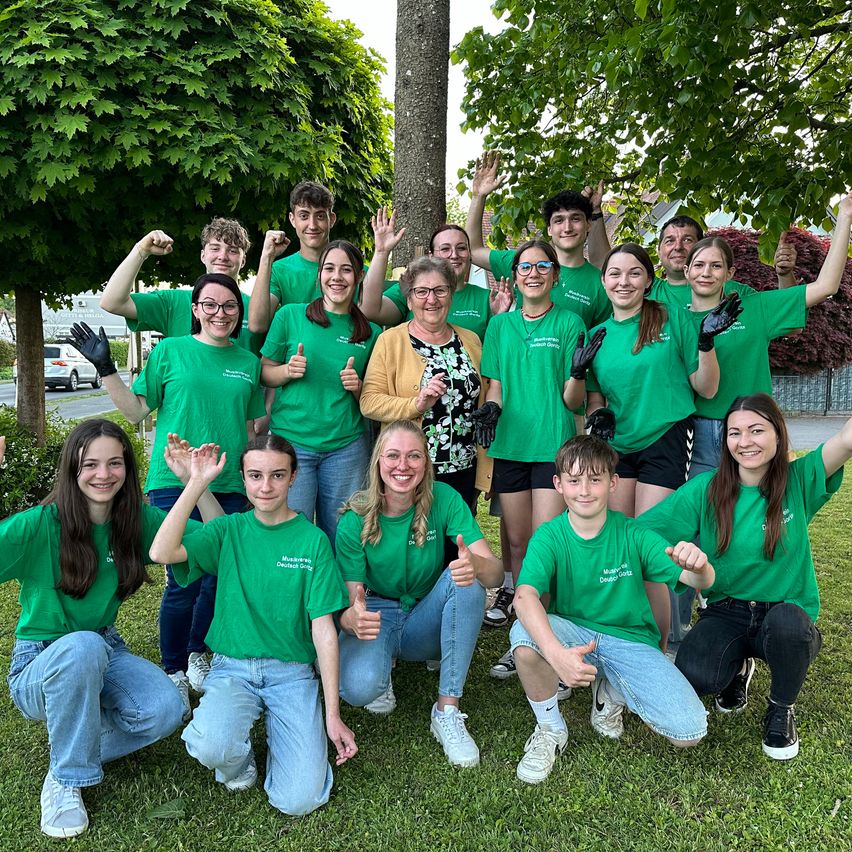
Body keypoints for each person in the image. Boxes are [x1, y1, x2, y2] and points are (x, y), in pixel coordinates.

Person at [70, 272, 266, 698]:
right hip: (174, 480)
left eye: (230, 306)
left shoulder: (248, 363)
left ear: (240, 313)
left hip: (227, 481)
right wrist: (105, 368)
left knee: (218, 574)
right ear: (195, 310)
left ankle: (199, 652)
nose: (220, 313)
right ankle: (174, 666)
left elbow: (250, 428)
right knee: (183, 577)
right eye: (210, 305)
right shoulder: (172, 351)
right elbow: (137, 412)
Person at [149, 436, 357, 814]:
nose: (266, 486)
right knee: (212, 744)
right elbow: (161, 551)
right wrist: (195, 484)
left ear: (294, 477)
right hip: (233, 668)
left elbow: (323, 629)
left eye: (277, 475)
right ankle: (240, 761)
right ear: (243, 479)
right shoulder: (228, 531)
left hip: (292, 673)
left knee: (299, 800)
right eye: (255, 475)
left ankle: (285, 736)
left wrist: (332, 715)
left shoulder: (313, 541)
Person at [637, 394, 850, 760]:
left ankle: (781, 708)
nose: (745, 441)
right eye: (734, 433)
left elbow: (846, 440)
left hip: (785, 612)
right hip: (727, 610)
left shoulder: (800, 479)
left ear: (778, 436)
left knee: (788, 627)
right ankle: (737, 668)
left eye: (756, 430)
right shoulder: (707, 488)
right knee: (695, 674)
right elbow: (642, 534)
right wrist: (679, 565)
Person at [1, 420, 186, 838]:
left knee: (166, 709)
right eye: (90, 464)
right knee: (81, 646)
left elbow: (215, 541)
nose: (103, 474)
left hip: (106, 647)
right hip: (40, 662)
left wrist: (197, 485)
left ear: (127, 469)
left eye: (114, 463)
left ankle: (71, 739)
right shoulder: (39, 525)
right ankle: (65, 779)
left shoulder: (134, 520)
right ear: (72, 468)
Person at [509, 435, 713, 783]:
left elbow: (699, 581)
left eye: (595, 479)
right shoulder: (549, 536)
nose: (584, 490)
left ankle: (611, 691)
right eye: (574, 480)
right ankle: (550, 729)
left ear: (612, 482)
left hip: (630, 641)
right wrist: (557, 655)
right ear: (558, 484)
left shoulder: (634, 533)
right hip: (575, 635)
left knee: (689, 731)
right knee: (524, 633)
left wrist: (700, 567)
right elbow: (524, 596)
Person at [582, 242, 738, 652]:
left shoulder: (671, 320)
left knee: (649, 545)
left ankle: (660, 647)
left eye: (634, 273)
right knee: (619, 542)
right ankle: (623, 637)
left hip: (665, 438)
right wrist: (598, 414)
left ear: (649, 280)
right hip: (617, 447)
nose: (624, 281)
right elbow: (595, 397)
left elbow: (706, 388)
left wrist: (706, 344)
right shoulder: (597, 334)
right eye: (615, 273)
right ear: (603, 281)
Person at [336, 420, 502, 767]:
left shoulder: (444, 497)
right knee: (358, 689)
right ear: (378, 461)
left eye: (414, 456)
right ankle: (383, 666)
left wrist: (475, 566)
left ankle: (446, 710)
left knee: (466, 581)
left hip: (426, 611)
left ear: (426, 462)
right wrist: (351, 618)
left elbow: (495, 571)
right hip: (380, 611)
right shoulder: (355, 517)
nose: (403, 465)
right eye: (393, 455)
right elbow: (354, 600)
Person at [476, 239, 591, 679]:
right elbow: (497, 386)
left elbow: (573, 399)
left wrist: (578, 374)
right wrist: (492, 407)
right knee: (519, 547)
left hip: (552, 448)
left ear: (555, 276)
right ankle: (526, 636)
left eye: (543, 266)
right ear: (516, 274)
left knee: (546, 546)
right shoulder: (500, 327)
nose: (534, 273)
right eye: (525, 266)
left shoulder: (570, 322)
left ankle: (553, 637)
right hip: (511, 447)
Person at [685, 191, 851, 475]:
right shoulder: (676, 319)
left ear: (730, 273)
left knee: (756, 512)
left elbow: (826, 287)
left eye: (716, 266)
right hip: (699, 432)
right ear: (686, 271)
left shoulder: (755, 307)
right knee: (705, 515)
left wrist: (845, 216)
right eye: (699, 265)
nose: (706, 273)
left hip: (752, 428)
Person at [260, 240, 380, 546]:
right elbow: (264, 372)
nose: (336, 277)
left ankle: (339, 594)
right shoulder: (290, 315)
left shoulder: (371, 333)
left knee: (342, 534)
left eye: (346, 270)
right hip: (293, 443)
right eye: (329, 269)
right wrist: (286, 371)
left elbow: (375, 398)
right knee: (293, 532)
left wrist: (358, 388)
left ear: (358, 277)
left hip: (346, 449)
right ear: (319, 275)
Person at [360, 255, 491, 511]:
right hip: (408, 470)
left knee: (456, 544)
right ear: (409, 299)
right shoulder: (391, 341)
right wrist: (416, 404)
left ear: (451, 295)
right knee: (413, 543)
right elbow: (369, 402)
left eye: (440, 290)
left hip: (464, 467)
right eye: (421, 291)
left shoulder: (471, 341)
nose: (432, 299)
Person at [466, 151, 611, 328]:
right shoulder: (523, 264)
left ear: (588, 224)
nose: (567, 227)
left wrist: (596, 211)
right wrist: (478, 197)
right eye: (559, 220)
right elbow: (471, 250)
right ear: (549, 229)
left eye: (575, 219)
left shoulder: (599, 283)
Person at [99, 217, 270, 358]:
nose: (223, 256)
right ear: (203, 255)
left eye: (233, 251)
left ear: (244, 260)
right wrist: (141, 251)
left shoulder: (258, 310)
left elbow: (270, 368)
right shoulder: (172, 302)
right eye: (215, 248)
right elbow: (112, 302)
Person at [360, 209, 513, 339]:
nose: (454, 255)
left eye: (461, 248)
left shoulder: (488, 298)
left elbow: (497, 353)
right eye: (445, 249)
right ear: (431, 255)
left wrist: (499, 319)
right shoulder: (414, 289)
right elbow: (369, 310)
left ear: (470, 254)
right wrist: (381, 252)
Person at [248, 180, 338, 334]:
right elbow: (257, 325)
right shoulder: (279, 270)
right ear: (292, 219)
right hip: (293, 356)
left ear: (332, 220)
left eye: (320, 216)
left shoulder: (352, 269)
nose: (312, 225)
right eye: (304, 216)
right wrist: (266, 257)